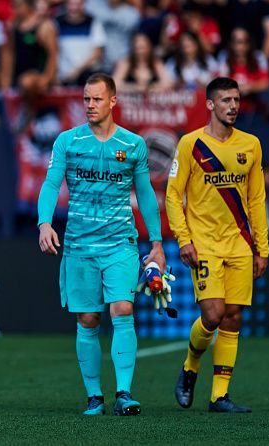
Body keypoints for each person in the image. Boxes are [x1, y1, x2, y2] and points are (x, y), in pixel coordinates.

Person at [37, 72, 167, 416]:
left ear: (113, 101)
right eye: (86, 99)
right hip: (79, 245)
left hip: (120, 244)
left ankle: (124, 392)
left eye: (96, 99)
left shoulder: (132, 145)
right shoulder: (67, 141)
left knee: (122, 309)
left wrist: (156, 243)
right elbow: (51, 184)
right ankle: (95, 396)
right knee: (89, 319)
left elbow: (146, 195)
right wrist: (44, 222)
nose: (90, 105)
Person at [165, 77, 269, 413]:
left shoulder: (251, 144)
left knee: (233, 317)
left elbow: (256, 199)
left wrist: (261, 248)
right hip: (205, 244)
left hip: (239, 243)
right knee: (212, 314)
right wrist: (184, 239)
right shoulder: (190, 143)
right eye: (226, 100)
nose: (234, 106)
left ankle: (218, 396)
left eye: (236, 100)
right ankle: (189, 368)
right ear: (210, 104)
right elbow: (172, 195)